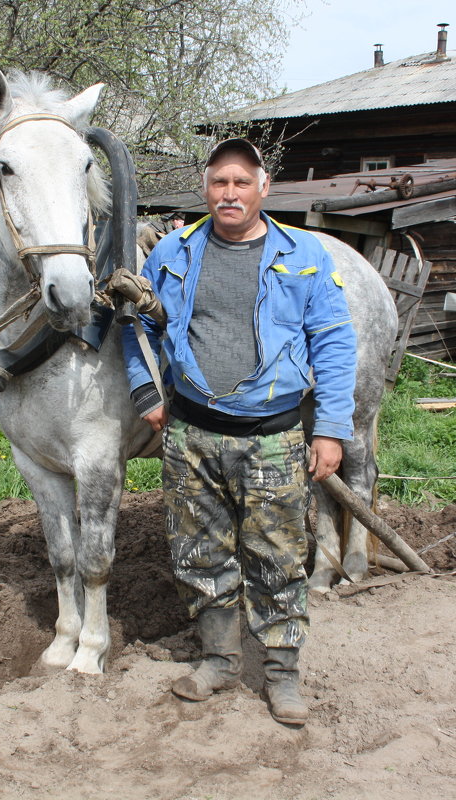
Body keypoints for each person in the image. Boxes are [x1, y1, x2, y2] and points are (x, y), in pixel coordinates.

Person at [122, 138, 356, 726]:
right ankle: (220, 660)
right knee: (199, 555)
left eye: (241, 182)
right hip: (192, 436)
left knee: (277, 559)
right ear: (206, 187)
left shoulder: (303, 254)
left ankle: (282, 675)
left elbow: (333, 341)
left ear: (263, 188)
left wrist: (329, 428)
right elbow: (132, 323)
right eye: (220, 182)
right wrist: (147, 390)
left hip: (273, 437)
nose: (230, 193)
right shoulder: (173, 251)